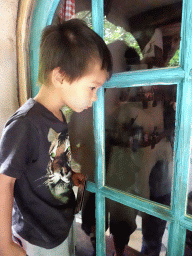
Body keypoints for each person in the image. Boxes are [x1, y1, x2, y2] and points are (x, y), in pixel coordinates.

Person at [0, 18, 112, 256]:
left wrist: (70, 177)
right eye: (92, 87)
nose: (95, 98)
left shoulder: (60, 116)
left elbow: (52, 161)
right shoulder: (24, 125)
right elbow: (3, 183)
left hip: (59, 225)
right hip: (36, 237)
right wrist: (4, 244)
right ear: (60, 76)